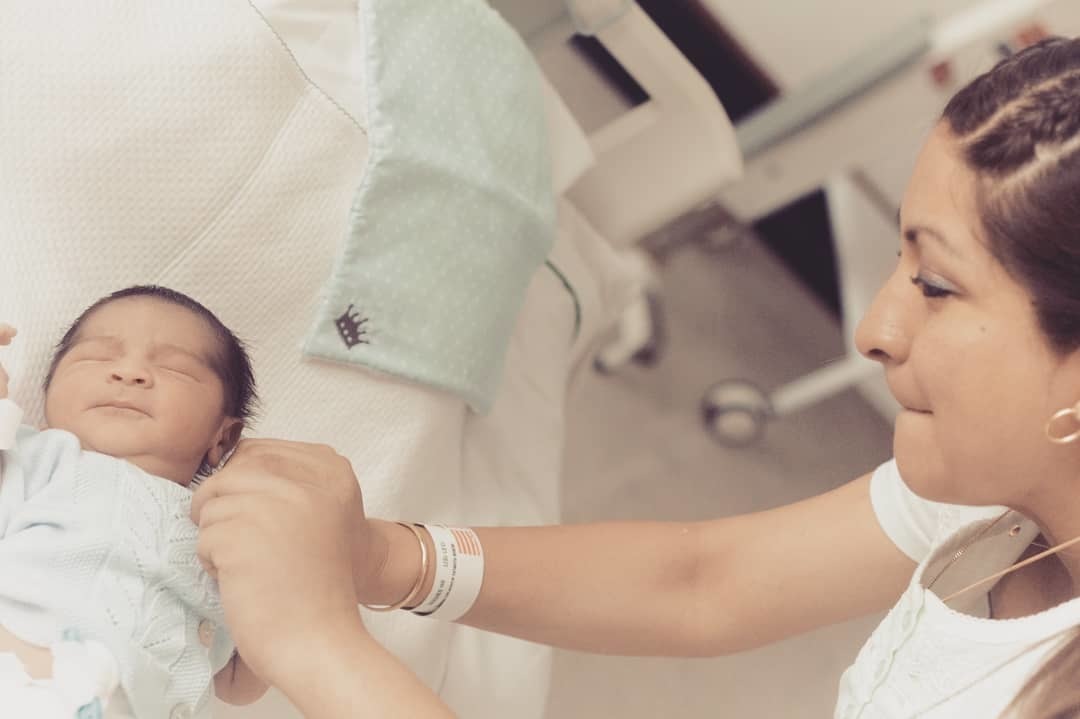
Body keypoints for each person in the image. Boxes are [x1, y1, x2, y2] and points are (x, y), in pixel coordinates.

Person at [193, 35, 1080, 718]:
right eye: (900, 259)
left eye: (934, 284)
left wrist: (318, 646)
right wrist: (390, 557)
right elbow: (702, 582)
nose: (875, 330)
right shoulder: (995, 497)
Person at [0, 285, 267, 718]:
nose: (129, 373)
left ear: (223, 437)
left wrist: (290, 574)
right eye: (97, 357)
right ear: (48, 396)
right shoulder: (40, 458)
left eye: (176, 369)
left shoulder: (228, 526)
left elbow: (238, 686)